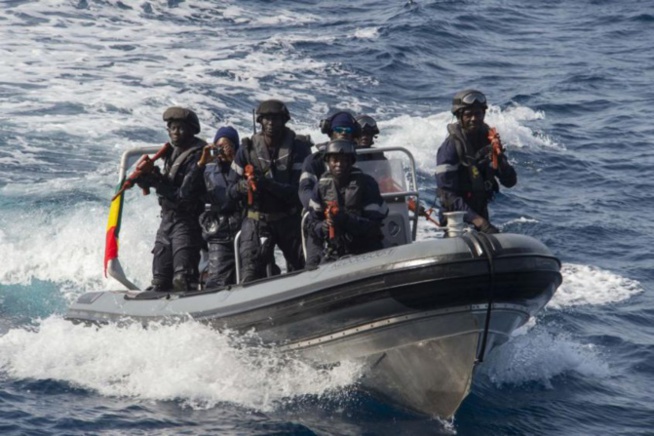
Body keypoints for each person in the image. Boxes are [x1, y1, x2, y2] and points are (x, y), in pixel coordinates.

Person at [228, 99, 312, 282]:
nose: (271, 123)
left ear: (284, 121)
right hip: (257, 220)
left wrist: (266, 184)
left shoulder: (299, 150)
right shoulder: (246, 151)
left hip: (288, 218)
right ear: (260, 121)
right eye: (266, 119)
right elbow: (229, 191)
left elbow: (299, 193)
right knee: (249, 273)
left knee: (306, 268)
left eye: (276, 119)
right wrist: (244, 187)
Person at [136, 106, 207, 292]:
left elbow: (184, 196)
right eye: (172, 128)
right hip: (167, 220)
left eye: (181, 128)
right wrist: (149, 178)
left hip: (187, 222)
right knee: (159, 281)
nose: (175, 132)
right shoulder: (171, 153)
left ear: (192, 130)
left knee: (182, 279)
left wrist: (157, 183)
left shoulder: (199, 156)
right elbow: (168, 184)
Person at [435, 89, 517, 234]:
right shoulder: (450, 148)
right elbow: (447, 195)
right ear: (459, 117)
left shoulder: (489, 142)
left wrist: (500, 160)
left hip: (480, 214)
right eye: (468, 115)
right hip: (456, 221)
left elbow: (510, 182)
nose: (474, 118)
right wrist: (479, 222)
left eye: (477, 114)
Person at [307, 139, 388, 265]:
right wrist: (323, 227)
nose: (339, 164)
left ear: (351, 162)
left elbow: (373, 225)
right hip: (334, 252)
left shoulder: (367, 184)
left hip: (365, 249)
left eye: (344, 160)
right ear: (328, 162)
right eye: (335, 160)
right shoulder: (320, 187)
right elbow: (312, 224)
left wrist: (345, 219)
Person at [298, 111, 361, 267]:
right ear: (331, 132)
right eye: (339, 130)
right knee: (314, 264)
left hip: (355, 221)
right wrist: (322, 208)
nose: (343, 134)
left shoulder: (366, 157)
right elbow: (304, 190)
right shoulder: (314, 161)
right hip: (323, 221)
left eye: (348, 131)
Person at [193, 126, 243, 289]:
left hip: (244, 229)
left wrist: (236, 160)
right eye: (218, 147)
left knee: (252, 272)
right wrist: (201, 164)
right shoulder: (207, 172)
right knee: (217, 279)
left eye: (226, 146)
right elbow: (187, 192)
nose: (221, 151)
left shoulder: (244, 167)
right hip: (219, 232)